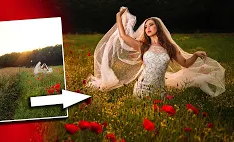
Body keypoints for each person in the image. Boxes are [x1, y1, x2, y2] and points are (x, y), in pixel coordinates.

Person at [87, 7, 225, 98]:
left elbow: (185, 63)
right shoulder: (143, 46)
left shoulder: (170, 47)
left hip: (159, 92)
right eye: (145, 26)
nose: (147, 27)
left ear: (158, 27)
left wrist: (195, 55)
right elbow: (123, 36)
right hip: (142, 88)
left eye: (151, 24)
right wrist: (118, 16)